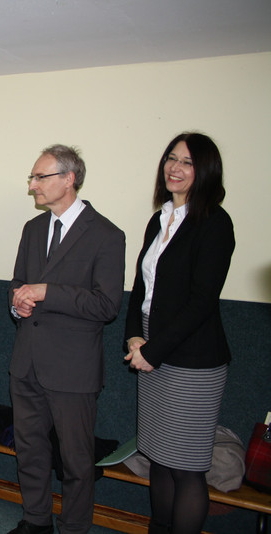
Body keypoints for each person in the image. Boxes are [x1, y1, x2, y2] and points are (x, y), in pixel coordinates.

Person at [8, 145, 125, 534]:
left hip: (73, 369)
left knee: (76, 461)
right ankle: (36, 520)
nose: (32, 186)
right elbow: (18, 284)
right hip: (27, 361)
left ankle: (74, 528)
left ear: (69, 179)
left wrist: (46, 292)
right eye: (32, 177)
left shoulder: (107, 235)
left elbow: (107, 305)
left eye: (40, 177)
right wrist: (18, 304)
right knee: (30, 451)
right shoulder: (33, 229)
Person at [124, 133, 234, 534]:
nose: (175, 167)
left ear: (204, 170)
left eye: (187, 162)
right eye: (172, 158)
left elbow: (202, 301)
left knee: (186, 466)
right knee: (158, 455)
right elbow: (141, 286)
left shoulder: (215, 223)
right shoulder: (160, 218)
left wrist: (154, 351)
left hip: (192, 357)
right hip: (152, 344)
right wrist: (135, 336)